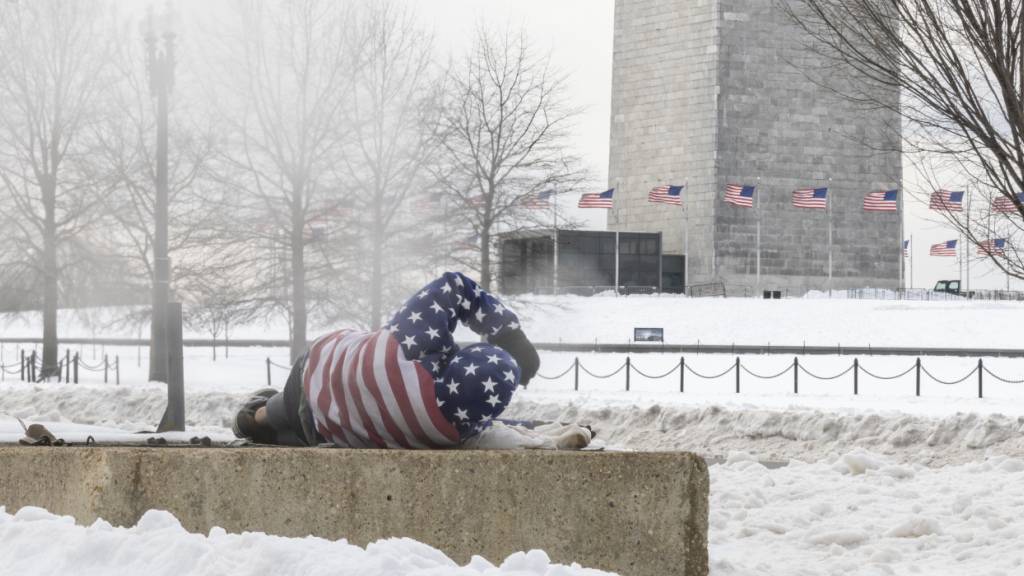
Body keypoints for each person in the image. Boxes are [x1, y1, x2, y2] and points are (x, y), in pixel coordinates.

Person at [233, 272, 589, 450]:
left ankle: (253, 417)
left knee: (277, 411)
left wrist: (510, 335)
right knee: (293, 425)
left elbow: (454, 285)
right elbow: (500, 432)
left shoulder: (416, 343)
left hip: (318, 369)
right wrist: (544, 426)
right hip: (329, 428)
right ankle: (264, 420)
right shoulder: (452, 431)